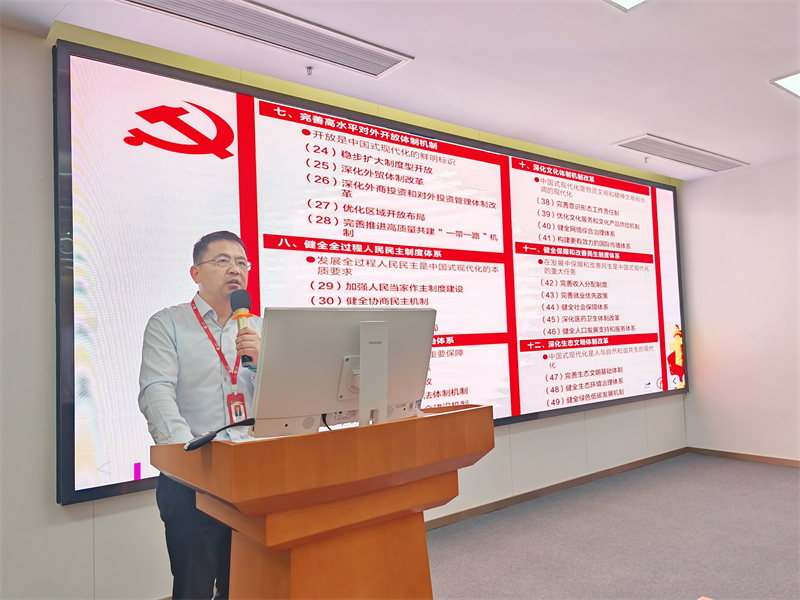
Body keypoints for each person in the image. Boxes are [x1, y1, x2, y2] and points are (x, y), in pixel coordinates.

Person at [138, 231, 262, 600]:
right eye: (222, 261)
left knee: (247, 585)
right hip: (194, 478)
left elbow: (281, 402)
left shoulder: (259, 328)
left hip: (255, 473)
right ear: (196, 273)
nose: (235, 269)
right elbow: (156, 393)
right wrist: (187, 460)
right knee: (193, 588)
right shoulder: (168, 324)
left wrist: (262, 363)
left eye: (241, 262)